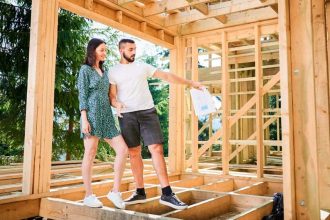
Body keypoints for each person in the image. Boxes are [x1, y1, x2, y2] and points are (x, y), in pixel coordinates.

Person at [109, 38, 203, 210]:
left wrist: (190, 83)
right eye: (130, 49)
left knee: (157, 149)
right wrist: (117, 104)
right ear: (121, 50)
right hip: (126, 115)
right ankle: (139, 191)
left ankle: (167, 193)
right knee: (134, 152)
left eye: (135, 49)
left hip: (147, 112)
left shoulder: (142, 66)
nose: (134, 52)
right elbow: (112, 96)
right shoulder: (113, 71)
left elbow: (166, 75)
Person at [77, 38, 128, 209]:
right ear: (92, 51)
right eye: (101, 50)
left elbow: (109, 97)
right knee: (90, 154)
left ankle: (115, 191)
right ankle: (88, 195)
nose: (104, 53)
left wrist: (117, 104)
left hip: (106, 115)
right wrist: (84, 119)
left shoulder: (104, 72)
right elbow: (82, 95)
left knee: (123, 150)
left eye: (105, 50)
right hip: (91, 115)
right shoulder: (85, 70)